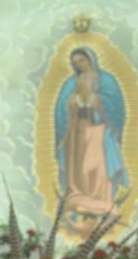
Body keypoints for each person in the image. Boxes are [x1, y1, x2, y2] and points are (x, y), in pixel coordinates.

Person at [54, 46, 127, 232]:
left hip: (98, 131)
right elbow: (61, 110)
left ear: (91, 59)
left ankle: (102, 202)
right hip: (76, 133)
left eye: (81, 60)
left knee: (95, 167)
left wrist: (97, 102)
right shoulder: (71, 83)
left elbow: (115, 105)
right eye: (75, 63)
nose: (78, 65)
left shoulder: (107, 80)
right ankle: (80, 201)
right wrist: (71, 102)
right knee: (78, 169)